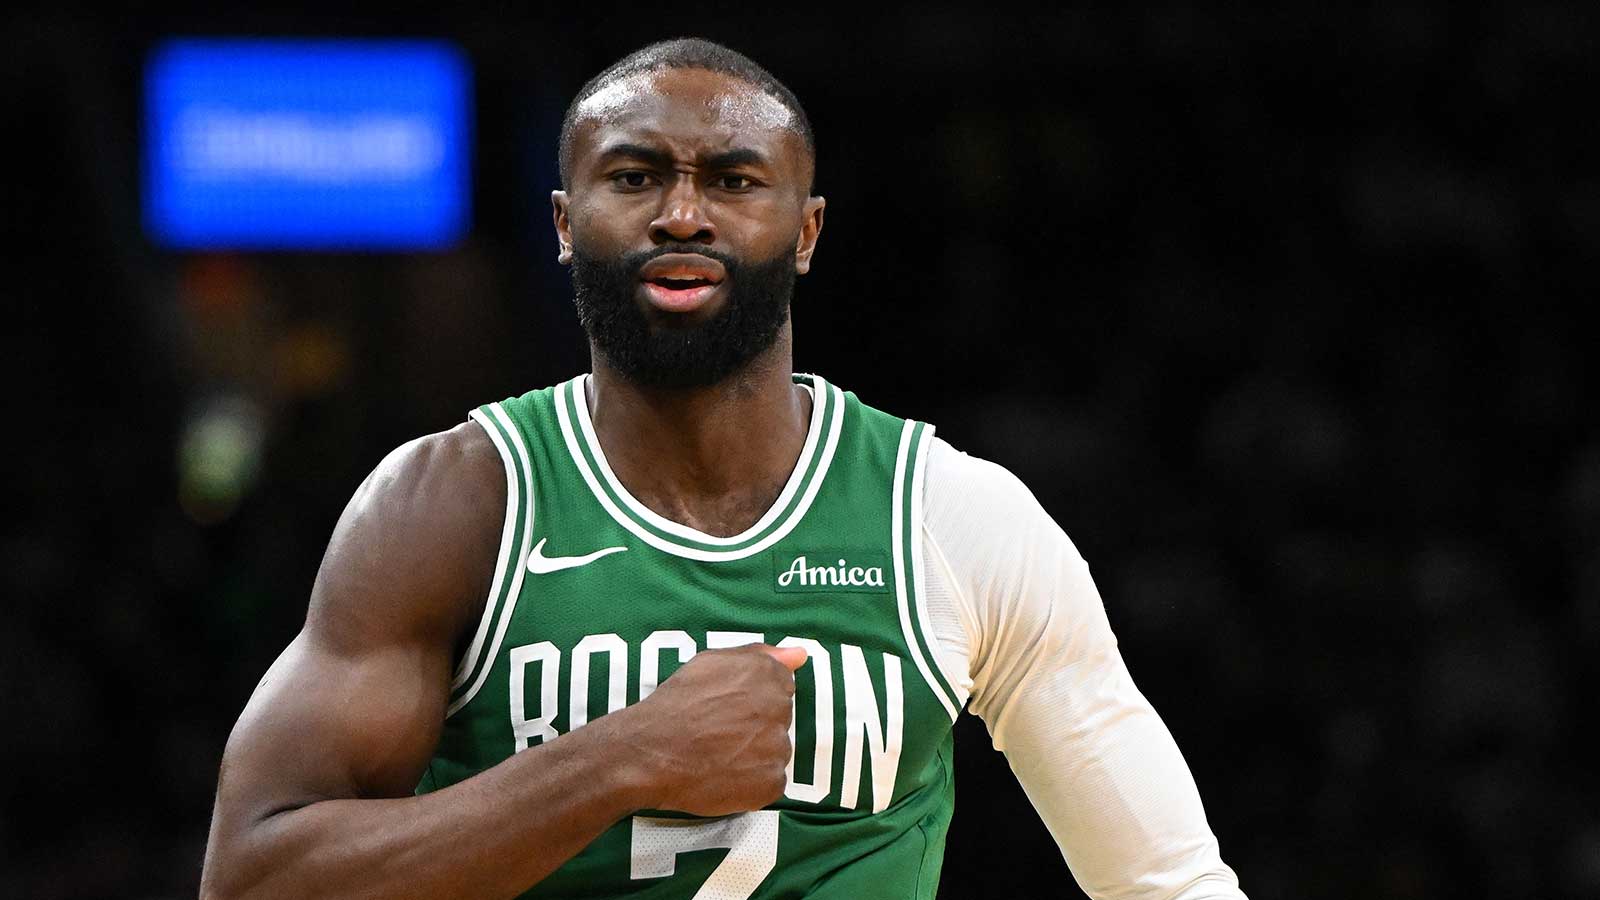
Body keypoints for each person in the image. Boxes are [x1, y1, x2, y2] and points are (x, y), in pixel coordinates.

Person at [199, 37, 1246, 900]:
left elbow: (1166, 883)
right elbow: (251, 879)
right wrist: (625, 758)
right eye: (634, 176)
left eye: (734, 180)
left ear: (805, 231)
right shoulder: (452, 503)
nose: (682, 214)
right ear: (565, 225)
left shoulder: (953, 517)